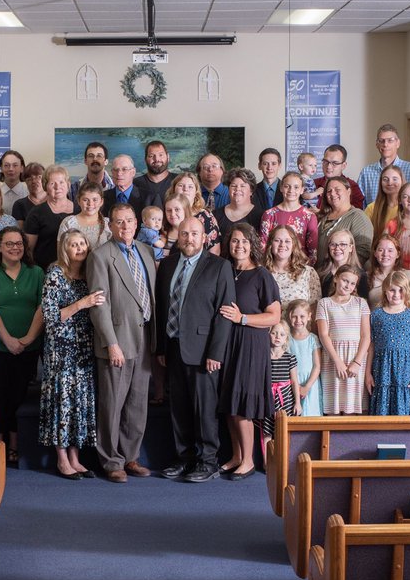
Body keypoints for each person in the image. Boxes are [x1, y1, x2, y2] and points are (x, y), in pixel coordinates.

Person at [155, 217, 235, 484]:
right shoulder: (166, 265)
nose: (189, 238)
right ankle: (184, 458)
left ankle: (208, 461)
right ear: (178, 236)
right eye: (185, 233)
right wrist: (161, 346)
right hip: (174, 346)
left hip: (203, 352)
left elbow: (224, 314)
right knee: (178, 407)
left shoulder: (219, 267)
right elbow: (162, 307)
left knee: (204, 408)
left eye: (194, 234)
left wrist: (216, 353)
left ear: (205, 237)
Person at [87, 204, 158, 483]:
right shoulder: (101, 256)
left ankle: (130, 456)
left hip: (145, 338)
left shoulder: (146, 250)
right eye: (119, 222)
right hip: (117, 341)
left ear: (136, 223)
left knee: (137, 402)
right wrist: (110, 343)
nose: (125, 226)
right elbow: (99, 307)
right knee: (112, 403)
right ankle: (111, 460)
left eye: (129, 220)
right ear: (110, 226)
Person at [217, 223, 281, 481]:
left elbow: (274, 316)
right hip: (229, 343)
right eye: (234, 241)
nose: (239, 246)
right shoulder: (227, 271)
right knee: (230, 403)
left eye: (244, 241)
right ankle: (235, 455)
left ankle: (248, 461)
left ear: (252, 244)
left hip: (251, 344)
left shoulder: (262, 275)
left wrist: (242, 318)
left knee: (242, 405)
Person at [40, 230, 104, 480]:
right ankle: (62, 458)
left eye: (82, 243)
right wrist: (82, 303)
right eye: (73, 245)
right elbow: (51, 316)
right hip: (61, 348)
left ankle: (76, 458)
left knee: (79, 402)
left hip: (84, 346)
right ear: (65, 250)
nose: (79, 248)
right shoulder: (55, 274)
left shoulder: (90, 274)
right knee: (63, 403)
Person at [0, 227, 44, 464]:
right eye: (9, 244)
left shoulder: (36, 272)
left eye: (19, 243)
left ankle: (13, 442)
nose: (15, 248)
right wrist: (7, 339)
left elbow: (41, 307)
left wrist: (26, 339)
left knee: (17, 396)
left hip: (28, 346)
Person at [365, 269, 410, 416]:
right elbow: (371, 347)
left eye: (401, 290)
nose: (397, 294)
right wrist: (367, 374)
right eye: (392, 290)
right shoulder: (376, 316)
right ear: (385, 291)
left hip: (407, 373)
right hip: (382, 371)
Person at [315, 264, 370, 416]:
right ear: (336, 279)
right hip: (334, 358)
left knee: (354, 409)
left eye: (353, 283)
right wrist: (337, 361)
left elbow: (366, 336)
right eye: (345, 280)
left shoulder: (361, 303)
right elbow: (324, 335)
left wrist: (357, 362)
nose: (348, 285)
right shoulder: (324, 303)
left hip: (356, 358)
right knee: (333, 408)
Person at [356, 124, 410, 208]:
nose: (385, 144)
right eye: (381, 141)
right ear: (377, 144)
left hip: (402, 220)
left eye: (390, 140)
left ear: (398, 143)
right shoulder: (366, 173)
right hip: (372, 220)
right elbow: (360, 205)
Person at [260, 171, 319, 264]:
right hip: (274, 267)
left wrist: (306, 271)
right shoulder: (269, 215)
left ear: (302, 190)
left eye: (296, 187)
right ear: (281, 188)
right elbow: (263, 247)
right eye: (287, 186)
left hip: (300, 267)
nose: (291, 190)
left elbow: (313, 251)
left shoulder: (309, 216)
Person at [25, 165, 75, 270]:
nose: (58, 187)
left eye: (61, 182)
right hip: (45, 271)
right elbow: (28, 250)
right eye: (52, 183)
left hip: (76, 272)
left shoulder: (79, 209)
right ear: (45, 187)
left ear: (68, 184)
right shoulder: (36, 213)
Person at [316, 177, 373, 267]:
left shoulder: (358, 216)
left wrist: (342, 272)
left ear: (348, 191)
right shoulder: (322, 216)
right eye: (329, 191)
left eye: (337, 190)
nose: (333, 194)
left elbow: (363, 251)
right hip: (319, 275)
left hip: (342, 275)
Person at [166, 172, 221, 255]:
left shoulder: (205, 216)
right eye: (181, 185)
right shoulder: (166, 213)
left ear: (196, 192)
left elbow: (214, 251)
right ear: (173, 189)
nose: (185, 189)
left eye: (190, 186)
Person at [266, 224, 321, 306]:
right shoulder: (261, 274)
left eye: (287, 241)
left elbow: (315, 308)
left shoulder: (308, 272)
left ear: (294, 245)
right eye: (277, 240)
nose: (282, 245)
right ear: (270, 244)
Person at [261, 322, 300, 438]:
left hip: (286, 401)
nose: (278, 337)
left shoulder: (290, 358)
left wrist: (297, 403)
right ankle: (267, 456)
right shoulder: (263, 357)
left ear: (286, 338)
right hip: (268, 399)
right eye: (274, 333)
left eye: (282, 334)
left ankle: (284, 456)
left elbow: (294, 382)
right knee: (267, 433)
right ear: (268, 334)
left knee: (284, 432)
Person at [287, 299, 323, 417]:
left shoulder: (313, 339)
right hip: (292, 384)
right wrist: (296, 387)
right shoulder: (286, 339)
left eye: (302, 316)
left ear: (309, 316)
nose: (298, 320)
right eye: (294, 316)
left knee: (310, 416)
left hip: (310, 384)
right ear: (289, 316)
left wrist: (307, 387)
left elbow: (317, 366)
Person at [318, 228, 369, 302]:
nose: (337, 248)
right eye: (333, 244)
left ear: (351, 248)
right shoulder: (321, 273)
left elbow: (363, 305)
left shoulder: (360, 275)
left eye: (343, 244)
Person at [59, 181, 111, 250]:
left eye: (95, 200)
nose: (90, 204)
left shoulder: (109, 224)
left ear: (101, 201)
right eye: (85, 200)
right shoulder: (68, 223)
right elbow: (61, 254)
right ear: (78, 201)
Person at [214, 168, 264, 238]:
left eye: (243, 186)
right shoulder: (216, 215)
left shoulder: (261, 216)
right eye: (233, 186)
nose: (237, 189)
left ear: (251, 191)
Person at [319, 144, 365, 210]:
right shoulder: (313, 183)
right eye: (326, 162)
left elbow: (355, 214)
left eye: (334, 163)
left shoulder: (352, 186)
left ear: (343, 166)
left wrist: (321, 212)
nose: (329, 166)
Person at [102, 154, 147, 221]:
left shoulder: (149, 198)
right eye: (116, 170)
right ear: (112, 172)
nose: (119, 173)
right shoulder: (102, 198)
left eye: (124, 169)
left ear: (133, 172)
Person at [133, 139, 173, 208]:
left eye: (161, 155)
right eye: (151, 156)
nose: (157, 159)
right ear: (145, 159)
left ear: (168, 157)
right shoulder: (135, 184)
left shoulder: (178, 181)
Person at [365, 234, 401, 309]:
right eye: (381, 250)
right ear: (375, 253)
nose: (385, 254)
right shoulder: (366, 277)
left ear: (398, 254)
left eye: (390, 250)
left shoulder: (407, 275)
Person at [364, 165, 405, 231]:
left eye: (394, 179)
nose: (390, 183)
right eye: (385, 179)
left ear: (402, 181)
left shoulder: (409, 207)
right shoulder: (371, 208)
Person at [12, 162, 47, 228]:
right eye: (29, 179)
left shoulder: (54, 201)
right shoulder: (19, 205)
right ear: (25, 182)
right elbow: (20, 233)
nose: (34, 181)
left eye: (38, 177)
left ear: (45, 179)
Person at [0, 150, 28, 216]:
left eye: (15, 165)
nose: (11, 169)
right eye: (6, 165)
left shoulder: (29, 191)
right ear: (1, 169)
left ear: (22, 168)